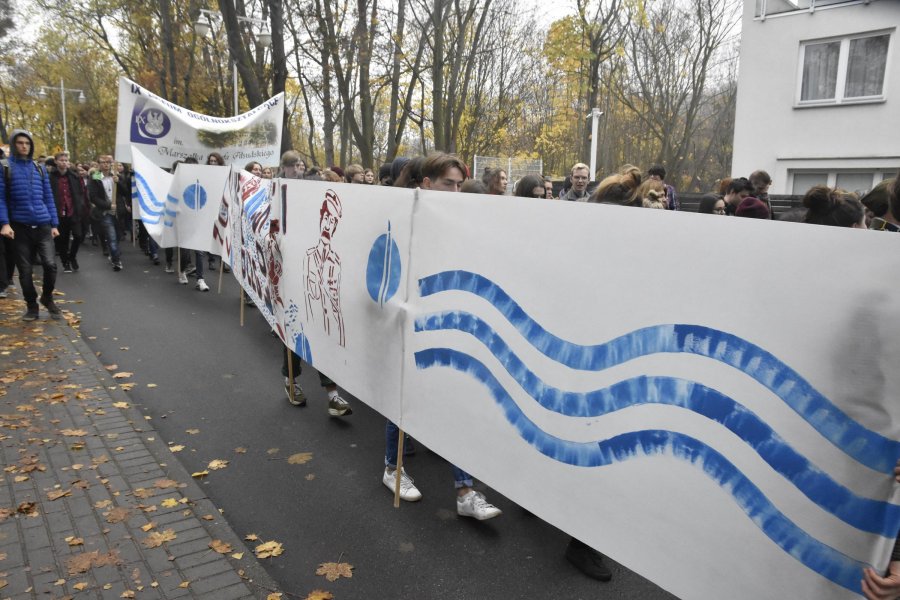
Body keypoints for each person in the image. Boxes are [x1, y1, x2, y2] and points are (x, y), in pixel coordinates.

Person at [382, 151, 502, 522]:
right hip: (408, 325)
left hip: (446, 324)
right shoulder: (401, 216)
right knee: (404, 400)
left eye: (459, 183)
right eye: (448, 183)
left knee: (453, 401)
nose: (455, 189)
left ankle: (464, 491)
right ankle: (392, 469)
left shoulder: (460, 221)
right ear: (427, 184)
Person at [0, 130, 60, 320]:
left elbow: (48, 197)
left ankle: (47, 298)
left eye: (27, 143)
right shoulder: (4, 167)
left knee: (50, 265)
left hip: (42, 225)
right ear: (13, 144)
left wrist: (54, 223)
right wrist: (5, 223)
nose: (24, 146)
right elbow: (0, 198)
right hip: (19, 227)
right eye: (20, 143)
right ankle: (32, 305)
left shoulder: (39, 168)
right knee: (25, 271)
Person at [88, 155, 129, 271]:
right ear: (98, 164)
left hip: (118, 212)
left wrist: (119, 182)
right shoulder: (96, 177)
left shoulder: (116, 176)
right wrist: (108, 205)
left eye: (108, 162)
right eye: (103, 162)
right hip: (106, 212)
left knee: (118, 236)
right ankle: (116, 261)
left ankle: (114, 253)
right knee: (111, 237)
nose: (106, 164)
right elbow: (93, 197)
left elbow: (126, 192)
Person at [49, 152, 86, 272]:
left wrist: (80, 206)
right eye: (61, 160)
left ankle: (72, 256)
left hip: (73, 211)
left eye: (66, 160)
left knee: (78, 236)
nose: (64, 162)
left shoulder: (74, 176)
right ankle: (65, 262)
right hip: (58, 213)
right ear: (56, 161)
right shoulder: (50, 177)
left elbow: (81, 193)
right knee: (62, 240)